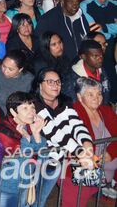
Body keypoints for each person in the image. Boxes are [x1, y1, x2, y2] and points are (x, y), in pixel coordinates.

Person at [34, 68, 97, 206]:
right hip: (45, 160)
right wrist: (80, 151)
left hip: (68, 157)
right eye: (50, 82)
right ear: (40, 84)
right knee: (38, 199)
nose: (55, 85)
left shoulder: (65, 101)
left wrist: (87, 144)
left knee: (85, 190)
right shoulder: (34, 104)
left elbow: (76, 124)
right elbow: (53, 132)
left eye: (58, 82)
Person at [0, 91, 48, 207]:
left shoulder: (30, 126)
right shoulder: (3, 131)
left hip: (24, 183)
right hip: (2, 187)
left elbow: (42, 158)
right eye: (25, 108)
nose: (31, 112)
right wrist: (27, 138)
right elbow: (22, 162)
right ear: (12, 111)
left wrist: (36, 134)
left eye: (33, 107)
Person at [72, 77, 117, 197]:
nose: (96, 98)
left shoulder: (106, 111)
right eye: (90, 94)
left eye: (99, 94)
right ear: (80, 97)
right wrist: (95, 159)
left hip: (107, 169)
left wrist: (110, 153)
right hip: (88, 170)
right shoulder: (74, 112)